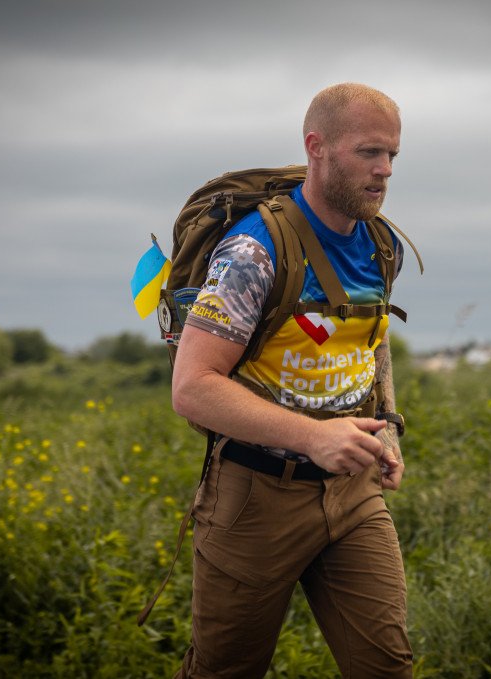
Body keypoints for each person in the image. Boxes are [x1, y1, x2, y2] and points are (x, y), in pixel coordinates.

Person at [170, 82, 413, 677]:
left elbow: (371, 342)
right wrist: (312, 436)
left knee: (388, 668)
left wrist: (389, 429)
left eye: (392, 156)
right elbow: (193, 386)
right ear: (317, 147)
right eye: (368, 153)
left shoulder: (381, 246)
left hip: (354, 495)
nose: (384, 171)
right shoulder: (253, 252)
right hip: (256, 498)